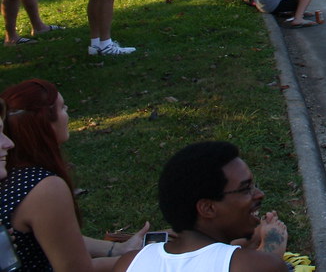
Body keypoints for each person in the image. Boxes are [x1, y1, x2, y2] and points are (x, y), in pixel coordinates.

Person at [0, 79, 149, 270]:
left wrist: (118, 249)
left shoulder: (10, 176)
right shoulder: (42, 189)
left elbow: (55, 235)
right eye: (62, 108)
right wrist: (148, 261)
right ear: (44, 123)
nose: (8, 143)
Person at [113, 141, 288, 272]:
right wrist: (273, 245)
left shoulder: (129, 264)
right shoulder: (256, 266)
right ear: (207, 208)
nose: (259, 194)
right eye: (246, 189)